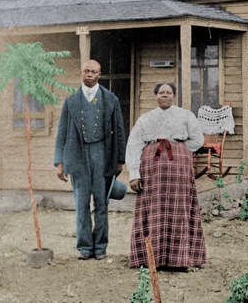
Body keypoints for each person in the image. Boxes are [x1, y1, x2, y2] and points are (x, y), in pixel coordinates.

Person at [126, 82, 207, 270]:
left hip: (178, 167)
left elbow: (197, 139)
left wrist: (181, 150)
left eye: (168, 92)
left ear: (174, 96)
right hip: (152, 168)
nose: (164, 95)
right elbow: (134, 145)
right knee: (153, 208)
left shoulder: (185, 115)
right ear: (155, 96)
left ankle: (180, 259)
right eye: (161, 92)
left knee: (180, 208)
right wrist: (134, 174)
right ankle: (150, 258)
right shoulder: (146, 118)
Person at [53, 59, 127, 260]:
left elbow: (119, 130)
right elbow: (61, 133)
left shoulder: (110, 99)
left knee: (102, 203)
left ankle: (101, 247)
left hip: (102, 154)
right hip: (77, 156)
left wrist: (120, 158)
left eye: (93, 72)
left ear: (99, 75)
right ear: (81, 73)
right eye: (86, 71)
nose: (89, 75)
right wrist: (59, 162)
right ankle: (84, 247)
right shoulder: (70, 102)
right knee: (81, 203)